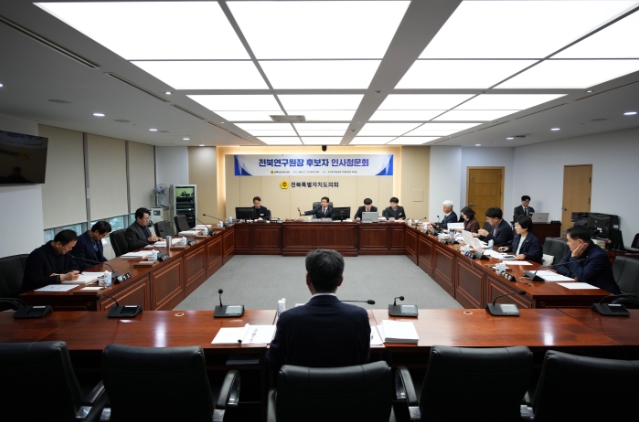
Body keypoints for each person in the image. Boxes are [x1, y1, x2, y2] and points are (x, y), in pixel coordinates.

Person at [266, 249, 370, 370]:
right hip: (348, 382)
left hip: (300, 383)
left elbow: (272, 362)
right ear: (340, 280)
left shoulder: (288, 319)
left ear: (307, 279)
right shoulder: (359, 316)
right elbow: (365, 360)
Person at [555, 225, 621, 294]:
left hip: (604, 294)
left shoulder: (599, 256)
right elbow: (559, 266)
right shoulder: (574, 249)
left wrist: (574, 257)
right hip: (586, 289)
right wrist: (573, 275)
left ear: (580, 242)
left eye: (569, 241)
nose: (567, 243)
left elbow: (582, 276)